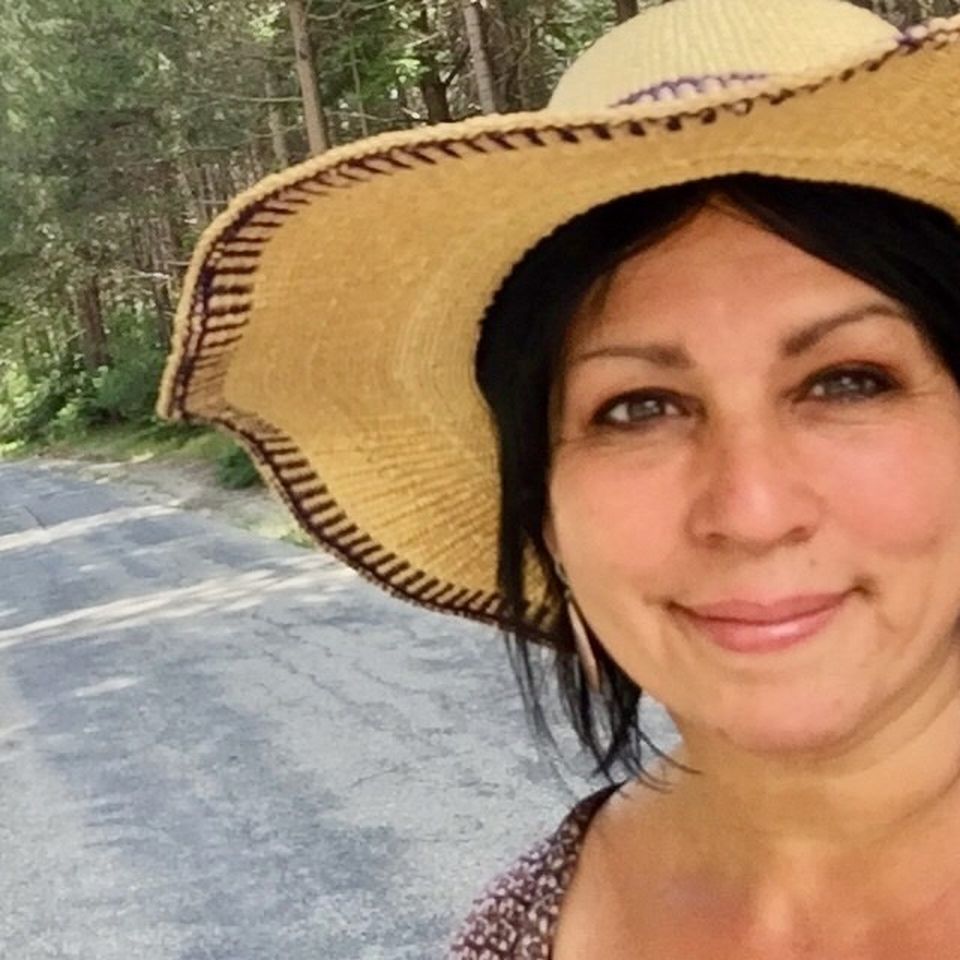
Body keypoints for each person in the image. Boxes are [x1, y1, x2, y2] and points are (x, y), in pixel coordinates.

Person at [158, 0, 960, 955]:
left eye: (847, 382)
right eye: (638, 407)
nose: (751, 509)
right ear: (543, 506)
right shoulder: (522, 933)